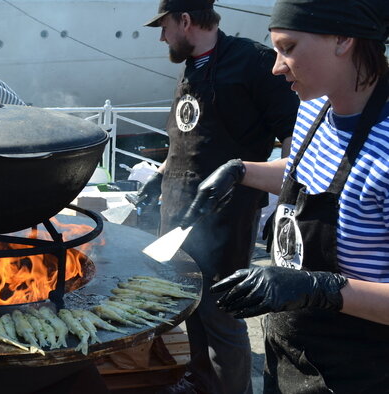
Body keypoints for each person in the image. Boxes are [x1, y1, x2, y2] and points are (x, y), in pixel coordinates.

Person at [184, 0, 389, 392]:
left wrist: (318, 288)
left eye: (289, 48)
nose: (276, 66)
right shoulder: (314, 108)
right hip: (288, 353)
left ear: (343, 39)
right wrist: (241, 171)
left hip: (357, 372)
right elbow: (312, 177)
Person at [138, 0, 300, 393]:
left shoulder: (252, 62)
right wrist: (160, 176)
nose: (162, 36)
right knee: (188, 301)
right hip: (178, 206)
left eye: (164, 26)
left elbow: (293, 136)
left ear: (186, 20)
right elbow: (193, 135)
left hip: (227, 211)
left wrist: (289, 203)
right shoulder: (193, 64)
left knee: (221, 310)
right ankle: (200, 379)